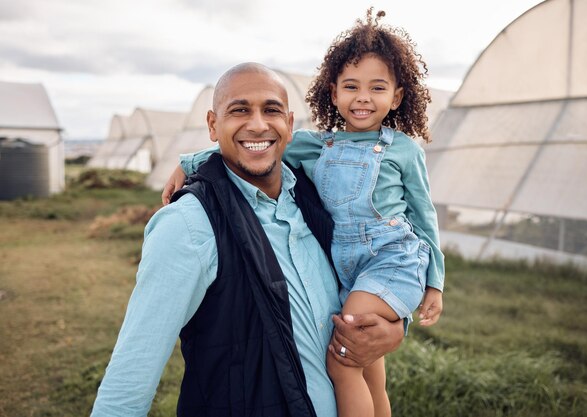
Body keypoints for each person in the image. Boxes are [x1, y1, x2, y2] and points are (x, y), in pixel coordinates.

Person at [163, 9, 445, 417]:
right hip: (344, 265)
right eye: (351, 86)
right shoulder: (315, 145)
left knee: (344, 356)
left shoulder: (403, 150)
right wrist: (188, 163)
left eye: (377, 88)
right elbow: (252, 144)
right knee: (370, 369)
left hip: (391, 260)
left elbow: (424, 216)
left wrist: (434, 282)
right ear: (333, 93)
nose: (362, 97)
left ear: (397, 97)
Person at [90, 62, 405, 417]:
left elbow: (377, 265)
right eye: (239, 110)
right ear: (213, 125)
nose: (257, 124)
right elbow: (131, 378)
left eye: (270, 110)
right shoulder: (188, 225)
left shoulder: (317, 196)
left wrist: (394, 328)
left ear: (288, 124)